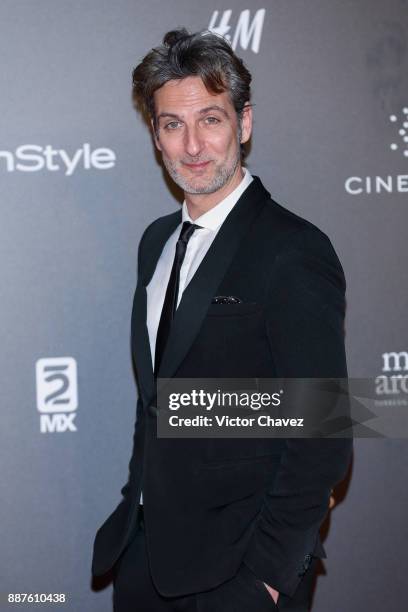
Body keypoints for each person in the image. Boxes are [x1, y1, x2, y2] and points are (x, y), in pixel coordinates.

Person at [91, 28, 353, 611]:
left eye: (210, 119)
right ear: (155, 136)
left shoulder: (293, 249)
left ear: (245, 123)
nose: (192, 145)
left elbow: (324, 435)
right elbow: (156, 399)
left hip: (238, 573)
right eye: (171, 124)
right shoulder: (155, 242)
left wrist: (266, 576)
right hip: (144, 558)